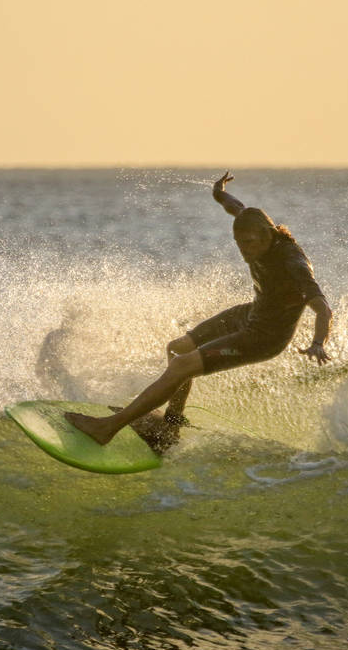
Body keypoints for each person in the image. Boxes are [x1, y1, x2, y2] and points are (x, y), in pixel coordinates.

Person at [66, 171, 333, 447]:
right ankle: (170, 427)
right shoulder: (254, 225)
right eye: (239, 244)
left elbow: (323, 308)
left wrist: (317, 342)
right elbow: (236, 208)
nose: (244, 251)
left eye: (249, 244)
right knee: (177, 349)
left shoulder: (294, 263)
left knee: (183, 366)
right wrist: (219, 193)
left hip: (265, 337)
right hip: (251, 314)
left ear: (267, 234)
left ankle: (107, 429)